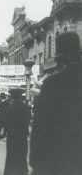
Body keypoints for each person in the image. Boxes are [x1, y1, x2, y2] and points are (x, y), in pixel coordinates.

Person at [30, 32, 82, 175]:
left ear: (62, 58)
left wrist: (37, 164)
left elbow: (40, 127)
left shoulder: (52, 84)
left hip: (59, 160)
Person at [3, 88, 30, 175]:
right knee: (22, 154)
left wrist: (5, 131)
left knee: (11, 154)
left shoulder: (9, 107)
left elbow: (6, 121)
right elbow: (27, 121)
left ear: (12, 97)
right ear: (20, 96)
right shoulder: (26, 107)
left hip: (12, 135)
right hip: (22, 135)